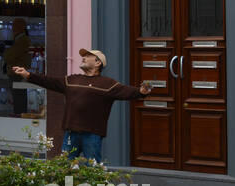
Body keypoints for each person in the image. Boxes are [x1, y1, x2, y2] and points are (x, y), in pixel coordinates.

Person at [13, 48, 154, 163]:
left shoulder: (108, 84)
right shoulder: (72, 79)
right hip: (70, 132)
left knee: (93, 168)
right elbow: (49, 81)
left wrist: (141, 92)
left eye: (88, 56)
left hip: (92, 134)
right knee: (64, 166)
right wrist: (28, 75)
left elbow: (127, 91)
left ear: (98, 62)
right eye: (83, 56)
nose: (83, 58)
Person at [3, 20, 32, 117]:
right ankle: (19, 114)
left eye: (15, 26)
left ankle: (20, 115)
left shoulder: (23, 40)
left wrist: (4, 51)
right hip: (16, 73)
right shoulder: (20, 40)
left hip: (17, 74)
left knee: (19, 97)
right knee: (18, 97)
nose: (12, 28)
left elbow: (9, 56)